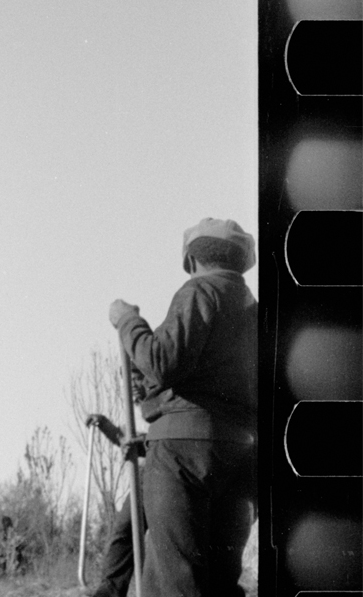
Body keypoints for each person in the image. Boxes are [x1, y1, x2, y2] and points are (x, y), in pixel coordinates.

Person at [109, 217, 257, 597]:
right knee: (220, 582)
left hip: (182, 453)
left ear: (191, 260)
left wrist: (128, 322)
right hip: (240, 454)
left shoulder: (200, 291)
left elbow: (160, 361)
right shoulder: (255, 309)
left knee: (176, 581)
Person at [82, 414, 147, 597]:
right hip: (149, 475)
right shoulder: (143, 409)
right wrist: (104, 424)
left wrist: (143, 442)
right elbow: (124, 438)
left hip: (175, 467)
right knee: (124, 530)